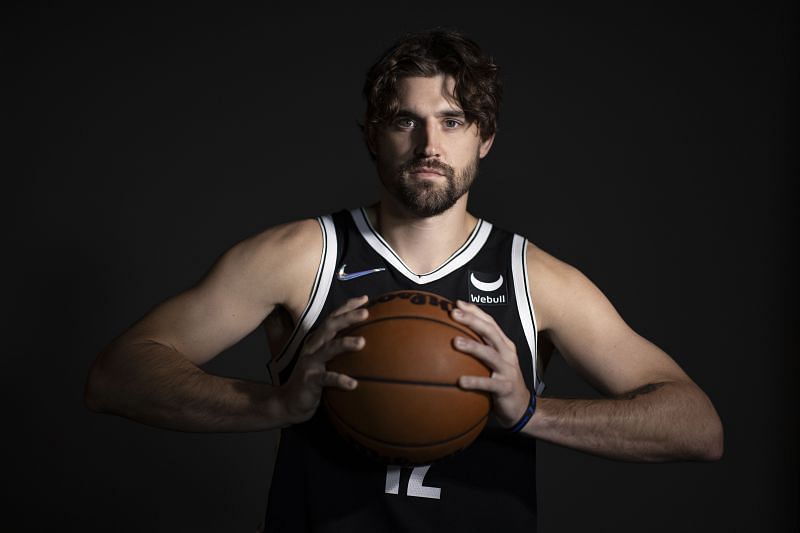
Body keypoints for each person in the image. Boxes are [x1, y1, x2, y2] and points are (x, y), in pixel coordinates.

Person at [85, 28, 724, 532]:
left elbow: (697, 427)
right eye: (403, 119)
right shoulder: (299, 257)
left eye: (451, 120)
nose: (427, 144)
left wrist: (529, 412)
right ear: (371, 134)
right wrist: (275, 405)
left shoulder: (538, 280)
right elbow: (118, 376)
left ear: (486, 138)